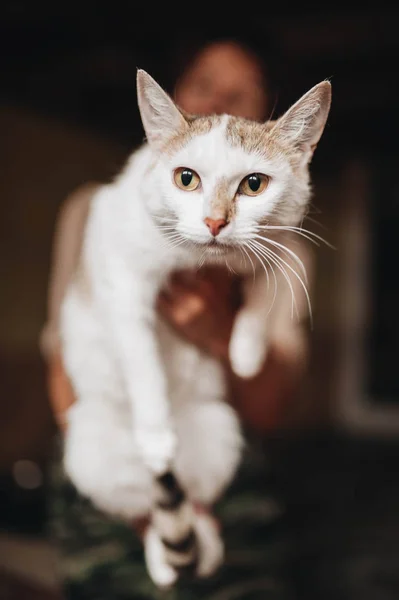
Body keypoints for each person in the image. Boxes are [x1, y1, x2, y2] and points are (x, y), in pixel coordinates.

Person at [42, 37, 312, 599]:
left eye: (243, 93)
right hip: (115, 460)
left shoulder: (283, 248)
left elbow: (268, 410)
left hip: (225, 482)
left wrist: (219, 335)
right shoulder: (98, 208)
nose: (224, 101)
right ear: (172, 107)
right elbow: (63, 361)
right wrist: (146, 505)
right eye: (206, 85)